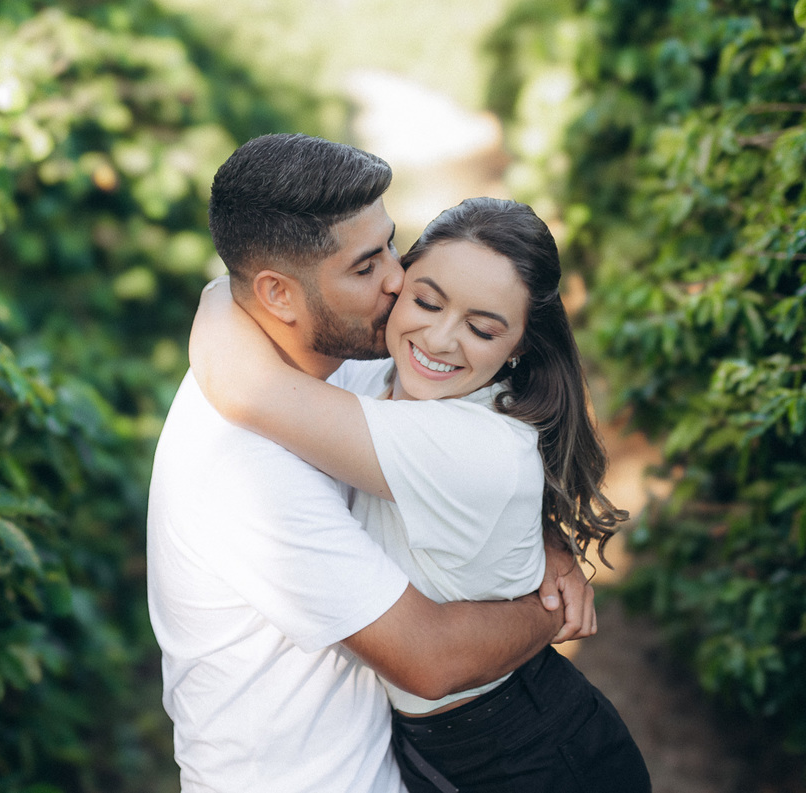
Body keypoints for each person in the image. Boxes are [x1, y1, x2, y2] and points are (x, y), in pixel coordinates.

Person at [147, 134, 596, 793]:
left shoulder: (354, 367)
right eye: (365, 266)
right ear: (276, 294)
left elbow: (473, 457)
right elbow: (433, 659)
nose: (397, 277)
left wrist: (544, 540)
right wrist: (546, 603)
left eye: (391, 242)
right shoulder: (242, 468)